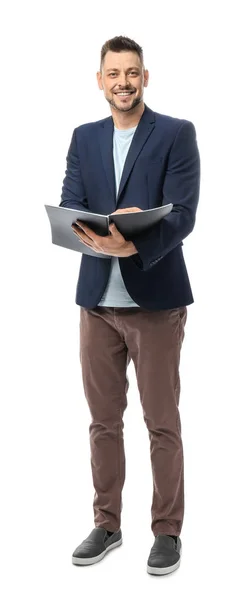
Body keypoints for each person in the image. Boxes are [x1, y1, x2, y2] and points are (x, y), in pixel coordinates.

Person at [59, 35, 200, 576]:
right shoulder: (84, 137)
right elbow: (71, 200)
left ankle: (167, 531)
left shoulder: (176, 133)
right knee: (102, 421)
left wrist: (136, 241)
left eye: (133, 72)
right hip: (96, 302)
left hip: (156, 303)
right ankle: (107, 523)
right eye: (113, 73)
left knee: (161, 421)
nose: (123, 82)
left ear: (146, 77)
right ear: (100, 80)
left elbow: (183, 214)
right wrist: (94, 233)